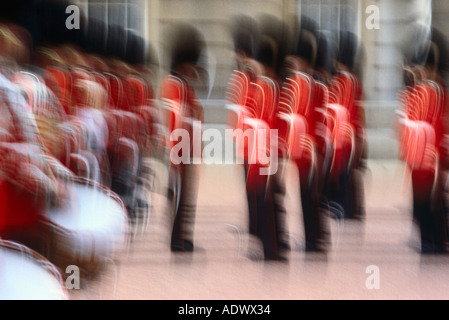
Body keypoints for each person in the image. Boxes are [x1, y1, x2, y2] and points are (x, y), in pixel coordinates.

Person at [159, 23, 205, 253]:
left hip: (187, 148)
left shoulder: (184, 84)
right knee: (178, 196)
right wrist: (177, 154)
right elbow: (176, 119)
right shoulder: (173, 84)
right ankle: (177, 240)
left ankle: (184, 236)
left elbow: (194, 117)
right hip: (179, 149)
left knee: (186, 195)